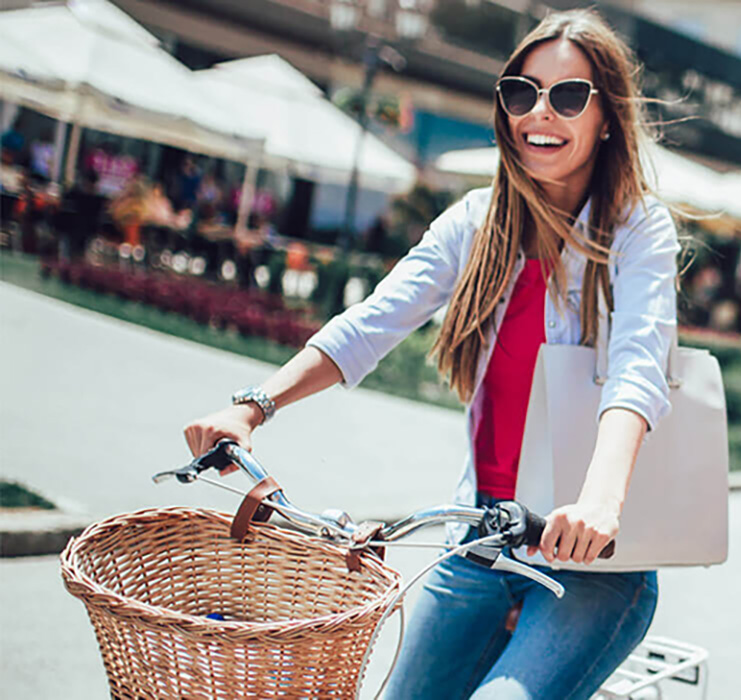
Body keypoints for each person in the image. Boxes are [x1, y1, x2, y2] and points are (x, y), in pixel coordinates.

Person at [179, 10, 680, 699]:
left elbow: (638, 367)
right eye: (521, 91)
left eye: (569, 96)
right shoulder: (477, 222)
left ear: (606, 117)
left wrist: (599, 500)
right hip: (480, 541)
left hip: (592, 564)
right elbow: (371, 323)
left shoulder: (636, 230)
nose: (541, 112)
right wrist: (254, 406)